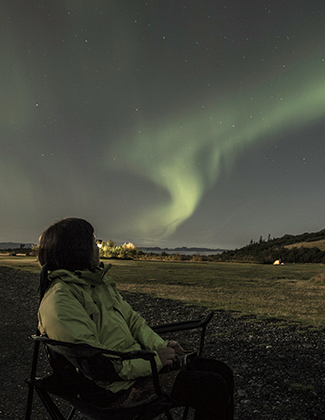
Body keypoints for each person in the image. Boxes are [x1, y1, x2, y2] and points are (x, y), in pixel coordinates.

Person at [37, 218, 234, 419]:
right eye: (94, 242)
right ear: (76, 250)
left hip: (133, 366)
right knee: (212, 387)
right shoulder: (60, 300)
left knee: (222, 372)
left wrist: (161, 346)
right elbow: (97, 365)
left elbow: (134, 322)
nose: (98, 247)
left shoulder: (96, 285)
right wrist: (155, 361)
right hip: (110, 389)